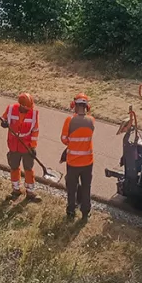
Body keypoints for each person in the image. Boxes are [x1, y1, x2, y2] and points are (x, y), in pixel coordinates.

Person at [0, 92, 41, 202]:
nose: (29, 109)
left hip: (27, 146)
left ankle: (30, 192)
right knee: (14, 167)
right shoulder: (10, 109)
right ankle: (16, 190)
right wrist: (4, 123)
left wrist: (33, 147)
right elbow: (4, 118)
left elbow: (35, 131)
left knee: (28, 169)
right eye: (26, 107)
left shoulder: (34, 113)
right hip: (13, 145)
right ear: (21, 105)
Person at [60, 93, 94, 221]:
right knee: (86, 187)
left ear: (74, 105)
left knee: (72, 188)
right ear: (87, 106)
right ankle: (85, 212)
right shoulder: (91, 120)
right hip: (88, 162)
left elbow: (64, 139)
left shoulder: (69, 120)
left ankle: (71, 211)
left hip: (73, 162)